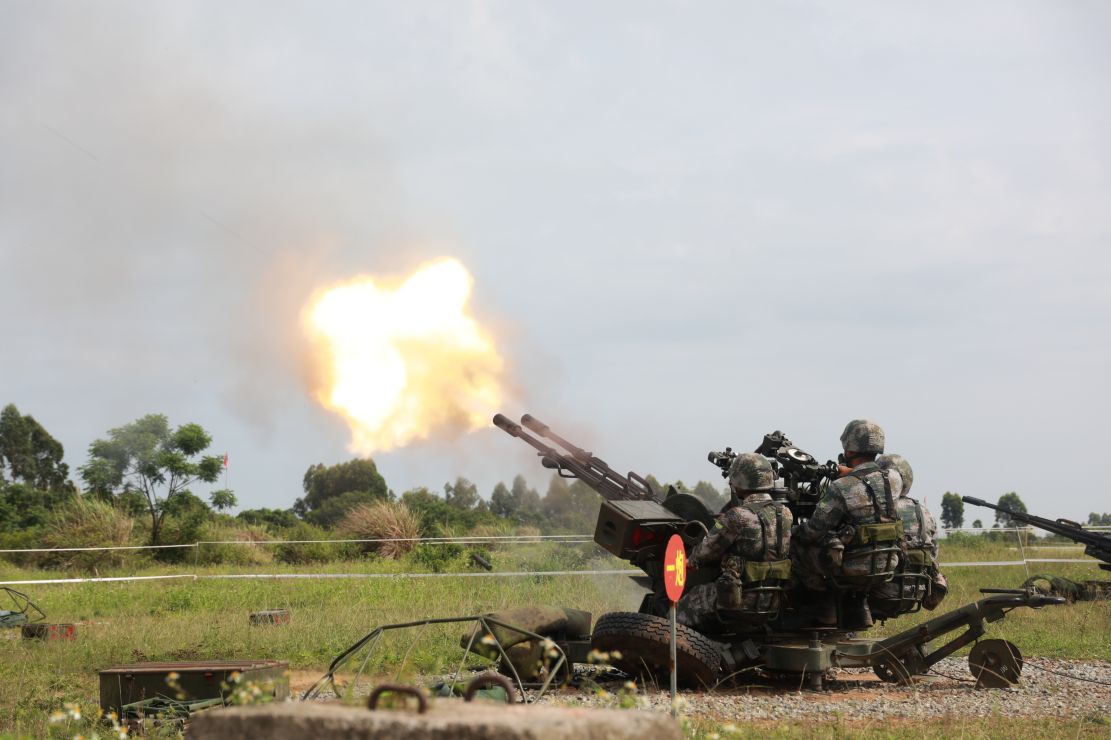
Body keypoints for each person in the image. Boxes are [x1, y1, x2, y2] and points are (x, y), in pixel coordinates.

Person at [792, 419, 904, 629]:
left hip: (852, 566)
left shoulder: (841, 487)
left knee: (795, 546)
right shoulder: (894, 479)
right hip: (887, 562)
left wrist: (791, 530)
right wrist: (852, 472)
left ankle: (821, 608)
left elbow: (813, 531)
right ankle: (857, 608)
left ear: (849, 450)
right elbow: (876, 474)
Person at [677, 452, 793, 632]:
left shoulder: (737, 516)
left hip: (738, 599)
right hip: (772, 600)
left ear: (740, 481)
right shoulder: (785, 513)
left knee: (685, 606)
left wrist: (689, 562)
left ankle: (680, 648)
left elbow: (705, 552)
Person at [870, 454, 948, 618]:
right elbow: (933, 554)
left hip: (878, 592)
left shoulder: (873, 508)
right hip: (915, 592)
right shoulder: (924, 512)